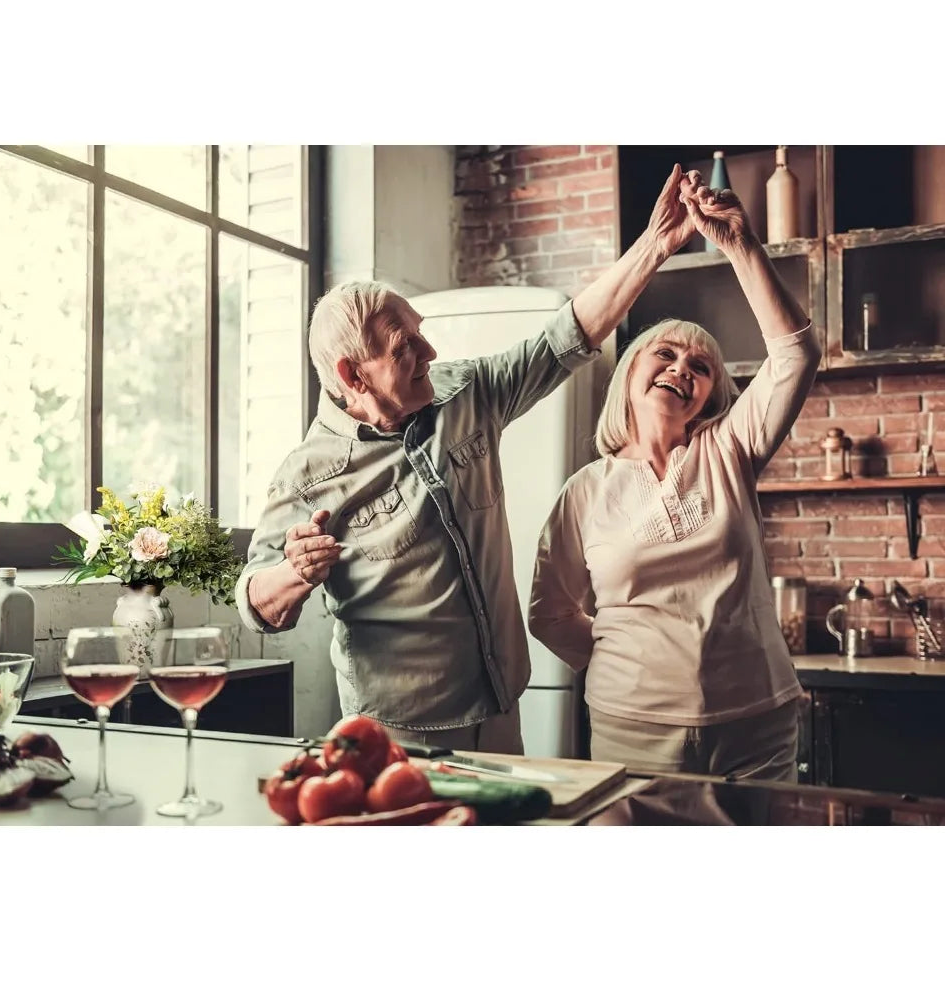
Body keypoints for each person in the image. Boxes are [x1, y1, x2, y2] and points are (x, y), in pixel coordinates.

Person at [235, 164, 700, 754]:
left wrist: (655, 246)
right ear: (353, 375)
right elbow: (256, 605)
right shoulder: (306, 475)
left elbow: (566, 335)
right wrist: (293, 574)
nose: (431, 351)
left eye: (421, 333)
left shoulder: (465, 393)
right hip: (399, 732)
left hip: (502, 705)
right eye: (406, 348)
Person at [528, 172, 821, 781]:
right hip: (629, 727)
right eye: (665, 353)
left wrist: (740, 245)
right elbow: (550, 615)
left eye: (701, 366)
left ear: (712, 395)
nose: (682, 367)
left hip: (755, 724)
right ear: (630, 373)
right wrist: (628, 666)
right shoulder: (585, 490)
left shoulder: (730, 449)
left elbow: (795, 354)